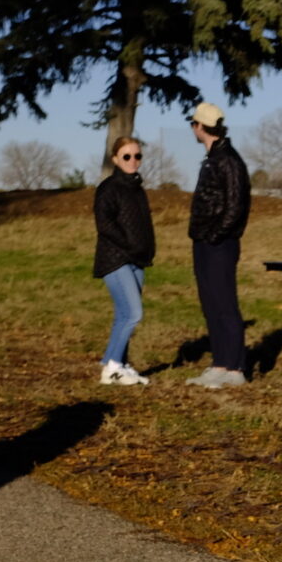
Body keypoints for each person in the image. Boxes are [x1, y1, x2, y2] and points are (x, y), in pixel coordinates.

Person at [184, 101, 251, 389]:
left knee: (225, 305)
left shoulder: (228, 160)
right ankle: (220, 364)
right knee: (211, 304)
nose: (193, 129)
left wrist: (215, 235)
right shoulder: (215, 158)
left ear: (199, 127)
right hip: (205, 243)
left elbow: (236, 206)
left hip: (220, 245)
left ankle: (235, 368)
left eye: (193, 124)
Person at [92, 135, 155, 386]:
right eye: (127, 156)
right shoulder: (108, 188)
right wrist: (129, 245)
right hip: (115, 259)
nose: (133, 161)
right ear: (116, 159)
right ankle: (113, 369)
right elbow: (104, 224)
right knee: (133, 313)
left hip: (137, 260)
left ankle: (115, 362)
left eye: (137, 156)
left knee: (123, 315)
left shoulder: (137, 189)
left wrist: (147, 250)